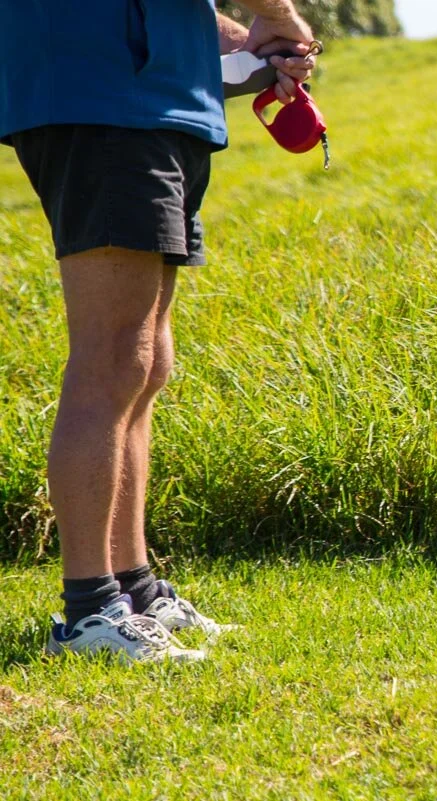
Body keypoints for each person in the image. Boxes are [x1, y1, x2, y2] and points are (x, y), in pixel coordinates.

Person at [0, 0, 318, 663]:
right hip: (108, 92)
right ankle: (89, 612)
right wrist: (280, 17)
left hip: (159, 96)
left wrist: (247, 44)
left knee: (145, 363)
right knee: (113, 358)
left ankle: (135, 590)